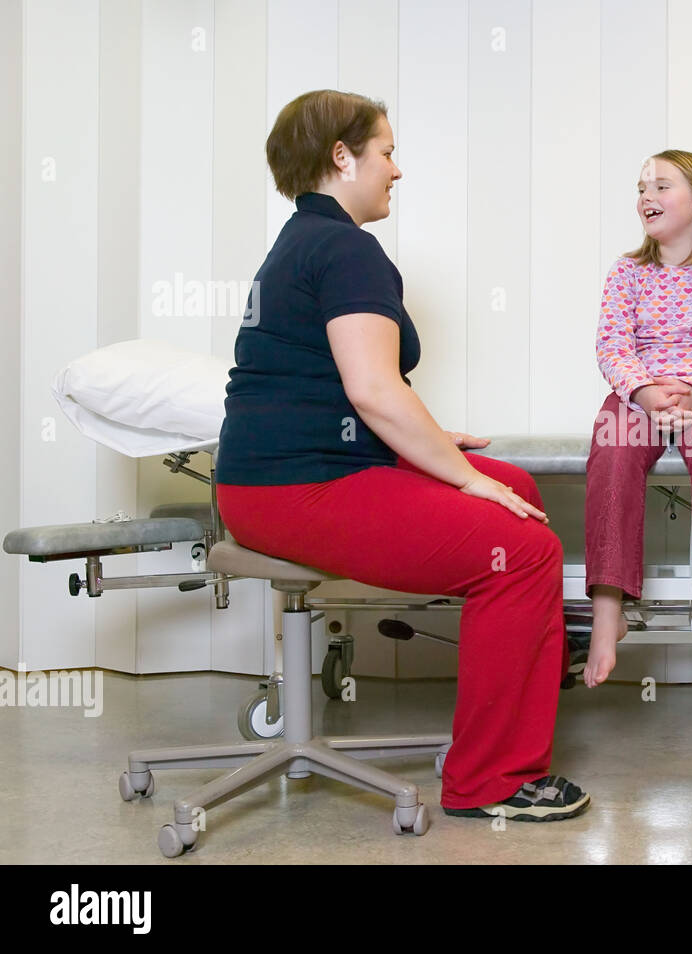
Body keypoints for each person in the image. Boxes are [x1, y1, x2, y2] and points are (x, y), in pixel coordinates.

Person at [214, 89, 589, 821]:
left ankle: (522, 664)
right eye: (386, 151)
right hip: (299, 488)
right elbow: (375, 391)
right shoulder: (346, 248)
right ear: (342, 157)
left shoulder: (303, 240)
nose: (397, 169)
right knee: (523, 551)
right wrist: (461, 479)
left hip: (285, 475)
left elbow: (330, 386)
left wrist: (438, 445)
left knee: (516, 486)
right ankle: (493, 782)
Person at [583, 149, 692, 690]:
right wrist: (642, 391)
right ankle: (608, 606)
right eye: (642, 188)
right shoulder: (628, 272)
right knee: (610, 454)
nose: (646, 197)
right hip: (638, 394)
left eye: (662, 186)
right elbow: (612, 346)